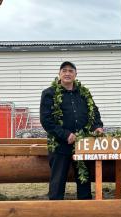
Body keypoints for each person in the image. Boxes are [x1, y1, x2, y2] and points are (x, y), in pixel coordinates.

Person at [40, 61, 103, 200]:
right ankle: (55, 210)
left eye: (70, 71)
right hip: (60, 145)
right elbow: (46, 121)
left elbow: (94, 113)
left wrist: (97, 126)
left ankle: (85, 209)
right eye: (64, 70)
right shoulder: (49, 94)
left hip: (82, 145)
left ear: (75, 74)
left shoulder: (84, 93)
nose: (67, 73)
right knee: (58, 181)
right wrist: (65, 135)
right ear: (59, 74)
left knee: (84, 180)